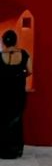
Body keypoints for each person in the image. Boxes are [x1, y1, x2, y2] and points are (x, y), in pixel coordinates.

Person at [0, 30, 32, 159]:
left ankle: (3, 150)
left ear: (3, 41)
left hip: (2, 94)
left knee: (2, 120)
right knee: (16, 121)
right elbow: (30, 71)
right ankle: (16, 150)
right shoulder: (24, 55)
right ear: (16, 40)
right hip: (18, 93)